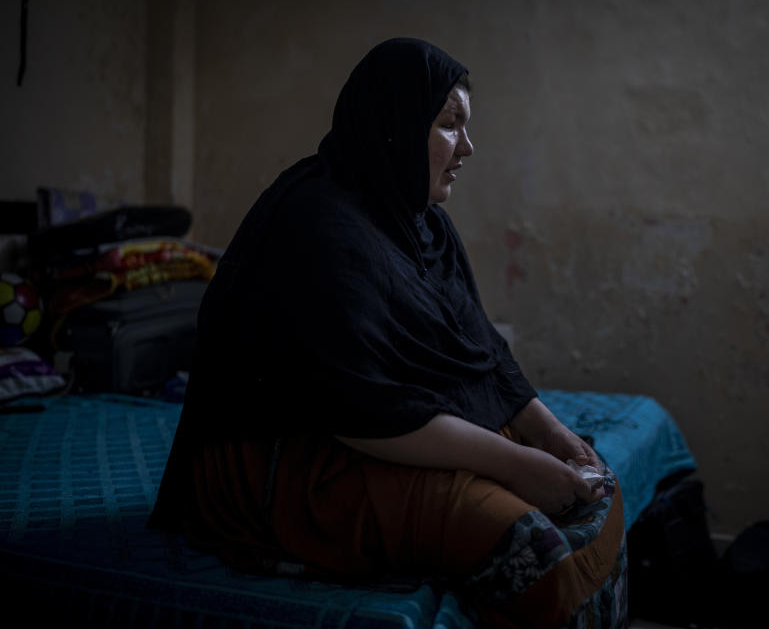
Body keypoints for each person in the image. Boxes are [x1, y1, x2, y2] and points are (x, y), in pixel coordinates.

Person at [149, 38, 626, 627]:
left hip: (385, 426)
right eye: (450, 125)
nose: (468, 148)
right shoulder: (318, 224)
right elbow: (363, 407)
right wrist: (512, 463)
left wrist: (552, 436)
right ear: (394, 123)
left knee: (596, 485)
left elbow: (483, 354)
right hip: (289, 455)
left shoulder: (425, 226)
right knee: (534, 554)